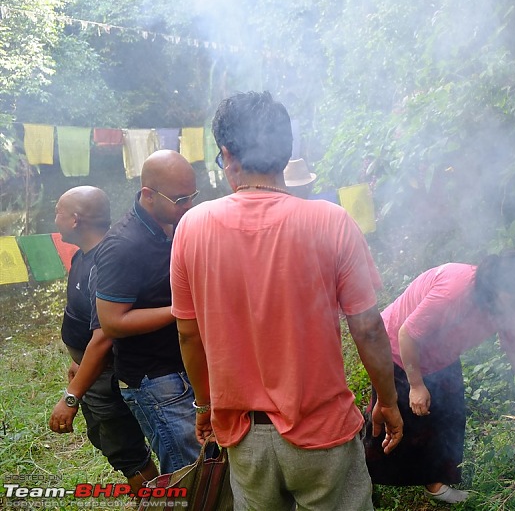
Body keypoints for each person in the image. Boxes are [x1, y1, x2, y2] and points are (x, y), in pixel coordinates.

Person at [171, 90, 403, 510]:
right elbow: (367, 327)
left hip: (243, 435)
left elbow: (189, 335)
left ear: (227, 154)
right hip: (323, 433)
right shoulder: (330, 221)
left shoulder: (192, 226)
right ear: (286, 150)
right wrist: (386, 401)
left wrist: (204, 405)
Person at [364, 251, 515, 504]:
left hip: (442, 354)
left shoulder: (508, 305)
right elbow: (406, 334)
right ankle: (362, 479)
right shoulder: (454, 288)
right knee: (393, 419)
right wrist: (417, 385)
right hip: (397, 352)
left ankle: (434, 483)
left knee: (447, 417)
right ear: (499, 284)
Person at [93, 150, 201, 474]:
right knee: (191, 473)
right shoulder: (123, 245)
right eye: (181, 199)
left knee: (211, 464)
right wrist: (181, 310)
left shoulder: (176, 224)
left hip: (185, 365)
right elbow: (111, 323)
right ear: (148, 195)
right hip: (154, 381)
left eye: (192, 197)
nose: (189, 207)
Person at [48, 186, 158, 493]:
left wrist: (71, 397)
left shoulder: (103, 264)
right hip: (90, 368)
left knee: (127, 451)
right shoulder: (82, 257)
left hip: (105, 374)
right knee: (114, 444)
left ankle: (155, 500)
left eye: (58, 211)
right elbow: (86, 321)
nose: (53, 217)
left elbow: (104, 337)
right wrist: (77, 359)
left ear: (75, 220)